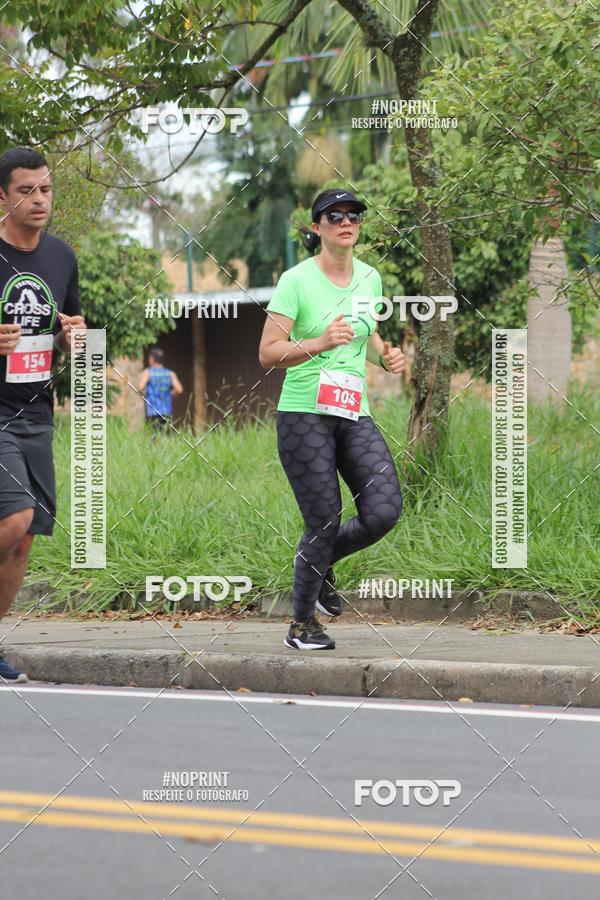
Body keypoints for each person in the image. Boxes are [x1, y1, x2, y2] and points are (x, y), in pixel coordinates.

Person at [259, 188, 405, 651]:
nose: (347, 222)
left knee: (383, 511)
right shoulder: (296, 281)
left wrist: (386, 356)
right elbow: (267, 353)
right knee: (323, 519)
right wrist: (319, 343)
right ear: (317, 227)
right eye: (335, 215)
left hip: (352, 412)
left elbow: (369, 331)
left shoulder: (370, 278)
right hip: (304, 414)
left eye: (354, 215)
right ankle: (301, 625)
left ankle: (320, 565)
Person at [0, 146, 86, 681]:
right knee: (15, 518)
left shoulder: (61, 257)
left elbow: (65, 324)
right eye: (26, 190)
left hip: (37, 410)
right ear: (2, 197)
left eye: (45, 189)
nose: (38, 199)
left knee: (24, 538)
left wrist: (71, 336)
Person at [138, 347, 183, 433]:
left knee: (153, 436)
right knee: (164, 434)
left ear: (152, 359)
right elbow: (179, 389)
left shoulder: (148, 372)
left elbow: (140, 388)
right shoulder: (170, 373)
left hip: (152, 411)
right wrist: (170, 394)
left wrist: (146, 394)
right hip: (166, 411)